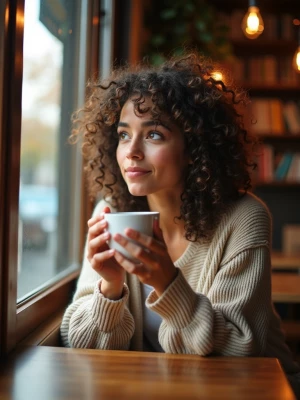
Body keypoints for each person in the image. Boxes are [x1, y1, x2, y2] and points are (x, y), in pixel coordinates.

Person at [61, 53, 300, 397]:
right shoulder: (110, 212)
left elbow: (239, 353)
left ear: (194, 146)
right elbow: (80, 343)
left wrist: (167, 283)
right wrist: (110, 288)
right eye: (124, 134)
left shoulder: (243, 218)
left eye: (154, 135)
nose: (132, 152)